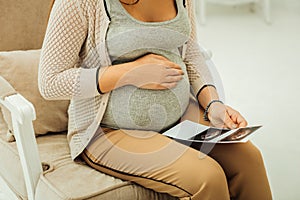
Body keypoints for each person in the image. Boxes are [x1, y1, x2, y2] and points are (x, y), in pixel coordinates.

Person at [38, 0, 272, 199]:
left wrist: (214, 104)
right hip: (108, 130)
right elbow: (50, 82)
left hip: (179, 118)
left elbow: (190, 52)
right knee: (207, 177)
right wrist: (128, 74)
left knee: (249, 159)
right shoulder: (80, 3)